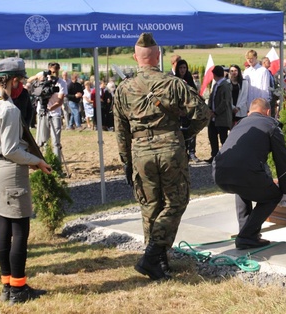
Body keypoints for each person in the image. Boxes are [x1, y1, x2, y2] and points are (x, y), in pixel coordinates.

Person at [113, 33, 209, 280]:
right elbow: (203, 113)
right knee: (176, 201)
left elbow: (121, 130)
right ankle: (154, 254)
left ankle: (157, 261)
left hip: (140, 151)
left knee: (150, 205)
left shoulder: (123, 88)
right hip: (170, 150)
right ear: (158, 56)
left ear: (136, 58)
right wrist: (188, 134)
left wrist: (126, 160)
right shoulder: (173, 83)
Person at [0, 57, 51, 304]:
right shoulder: (9, 109)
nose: (20, 84)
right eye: (19, 79)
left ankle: (8, 285)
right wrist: (37, 161)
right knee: (20, 229)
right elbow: (12, 149)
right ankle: (18, 289)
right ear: (11, 80)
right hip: (11, 169)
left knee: (4, 227)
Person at [213, 98, 286, 249]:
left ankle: (246, 232)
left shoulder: (239, 124)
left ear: (249, 112)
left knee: (241, 186)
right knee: (273, 196)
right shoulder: (271, 125)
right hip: (245, 172)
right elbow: (282, 162)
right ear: (268, 112)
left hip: (219, 173)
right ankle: (246, 236)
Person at [28, 62, 66, 161]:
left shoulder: (61, 83)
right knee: (43, 139)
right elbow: (28, 81)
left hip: (55, 113)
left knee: (55, 141)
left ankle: (56, 162)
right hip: (42, 113)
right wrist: (38, 77)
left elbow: (60, 101)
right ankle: (45, 160)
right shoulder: (42, 77)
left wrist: (49, 109)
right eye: (52, 72)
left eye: (56, 72)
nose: (54, 74)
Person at [206, 65, 232, 163]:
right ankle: (214, 155)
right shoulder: (216, 85)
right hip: (213, 117)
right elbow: (212, 99)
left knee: (223, 138)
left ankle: (226, 157)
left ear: (214, 74)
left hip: (221, 117)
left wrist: (216, 112)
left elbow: (225, 102)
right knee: (212, 136)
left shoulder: (225, 85)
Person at [175, 59, 200, 162]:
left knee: (191, 132)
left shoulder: (189, 78)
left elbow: (195, 93)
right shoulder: (174, 79)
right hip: (179, 111)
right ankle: (183, 152)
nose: (182, 70)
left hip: (189, 111)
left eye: (184, 68)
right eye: (180, 68)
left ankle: (192, 152)